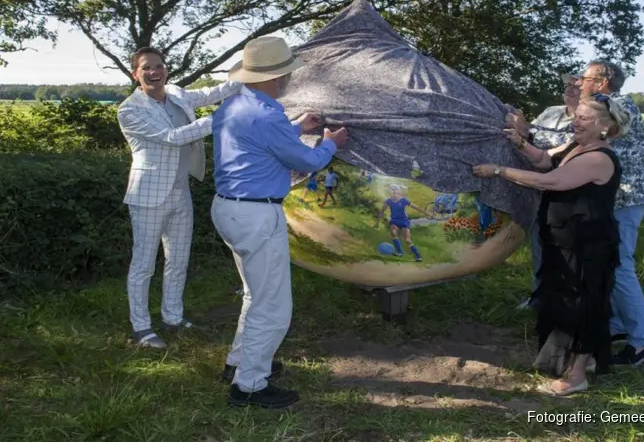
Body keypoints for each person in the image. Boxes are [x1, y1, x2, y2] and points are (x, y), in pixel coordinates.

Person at [210, 36, 348, 409]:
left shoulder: (233, 106)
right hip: (256, 213)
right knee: (272, 306)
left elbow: (260, 139)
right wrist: (330, 142)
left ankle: (239, 363)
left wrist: (297, 123)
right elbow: (308, 161)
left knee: (256, 294)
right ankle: (250, 386)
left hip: (229, 208)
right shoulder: (266, 114)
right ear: (278, 77)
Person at [473, 95, 630, 395]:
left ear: (603, 126)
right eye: (576, 116)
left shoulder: (599, 157)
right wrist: (519, 142)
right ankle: (588, 359)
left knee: (582, 305)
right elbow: (544, 160)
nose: (575, 122)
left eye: (583, 118)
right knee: (563, 300)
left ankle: (576, 376)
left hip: (587, 244)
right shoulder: (577, 146)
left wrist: (497, 170)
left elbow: (550, 180)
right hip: (564, 240)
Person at [117, 46, 243, 348]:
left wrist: (249, 75)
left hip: (180, 191)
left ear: (166, 70)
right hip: (147, 195)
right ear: (136, 74)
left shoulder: (175, 93)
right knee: (144, 264)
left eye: (158, 66)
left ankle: (172, 317)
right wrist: (221, 116)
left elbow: (213, 92)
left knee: (179, 259)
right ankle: (142, 328)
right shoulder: (129, 110)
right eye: (146, 67)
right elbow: (173, 138)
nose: (154, 72)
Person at [576, 60, 644, 367]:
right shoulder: (612, 104)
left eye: (585, 78)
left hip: (625, 198)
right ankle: (618, 328)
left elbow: (586, 142)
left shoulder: (614, 107)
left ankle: (642, 344)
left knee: (621, 266)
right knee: (610, 263)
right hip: (615, 198)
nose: (581, 82)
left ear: (602, 82)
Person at [506, 72, 581, 307]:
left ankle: (570, 300)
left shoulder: (588, 119)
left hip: (571, 191)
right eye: (567, 85)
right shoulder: (551, 112)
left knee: (568, 248)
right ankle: (539, 295)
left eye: (576, 85)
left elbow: (559, 149)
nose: (569, 89)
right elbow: (531, 140)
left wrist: (526, 133)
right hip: (541, 188)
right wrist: (523, 130)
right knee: (540, 243)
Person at [373, 184, 430, 261]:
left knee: (407, 240)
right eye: (391, 191)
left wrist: (426, 213)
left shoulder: (403, 200)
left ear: (398, 192)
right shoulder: (388, 201)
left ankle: (418, 256)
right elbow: (382, 211)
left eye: (395, 190)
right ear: (389, 192)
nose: (393, 192)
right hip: (394, 221)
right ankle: (400, 252)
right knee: (393, 232)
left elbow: (415, 207)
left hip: (404, 222)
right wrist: (377, 223)